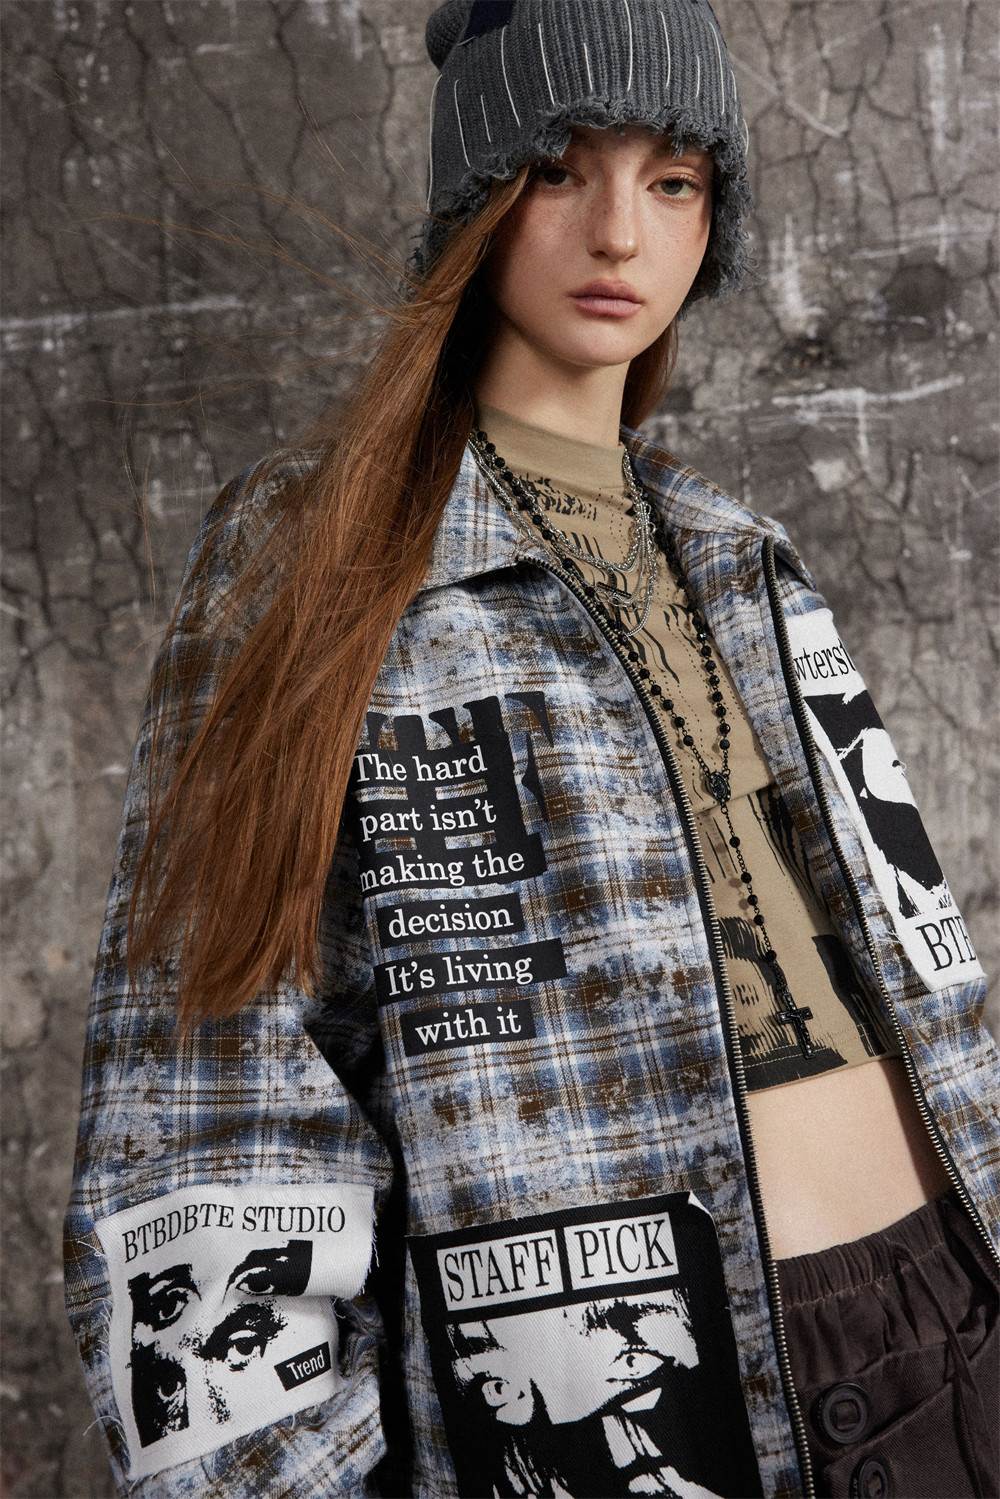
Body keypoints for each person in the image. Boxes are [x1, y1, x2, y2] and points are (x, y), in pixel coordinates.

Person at [64, 2, 999, 1496]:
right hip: (636, 1415)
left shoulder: (747, 561)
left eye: (675, 180)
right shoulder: (308, 562)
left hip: (953, 1325)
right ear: (477, 200)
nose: (621, 231)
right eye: (560, 168)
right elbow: (196, 1125)